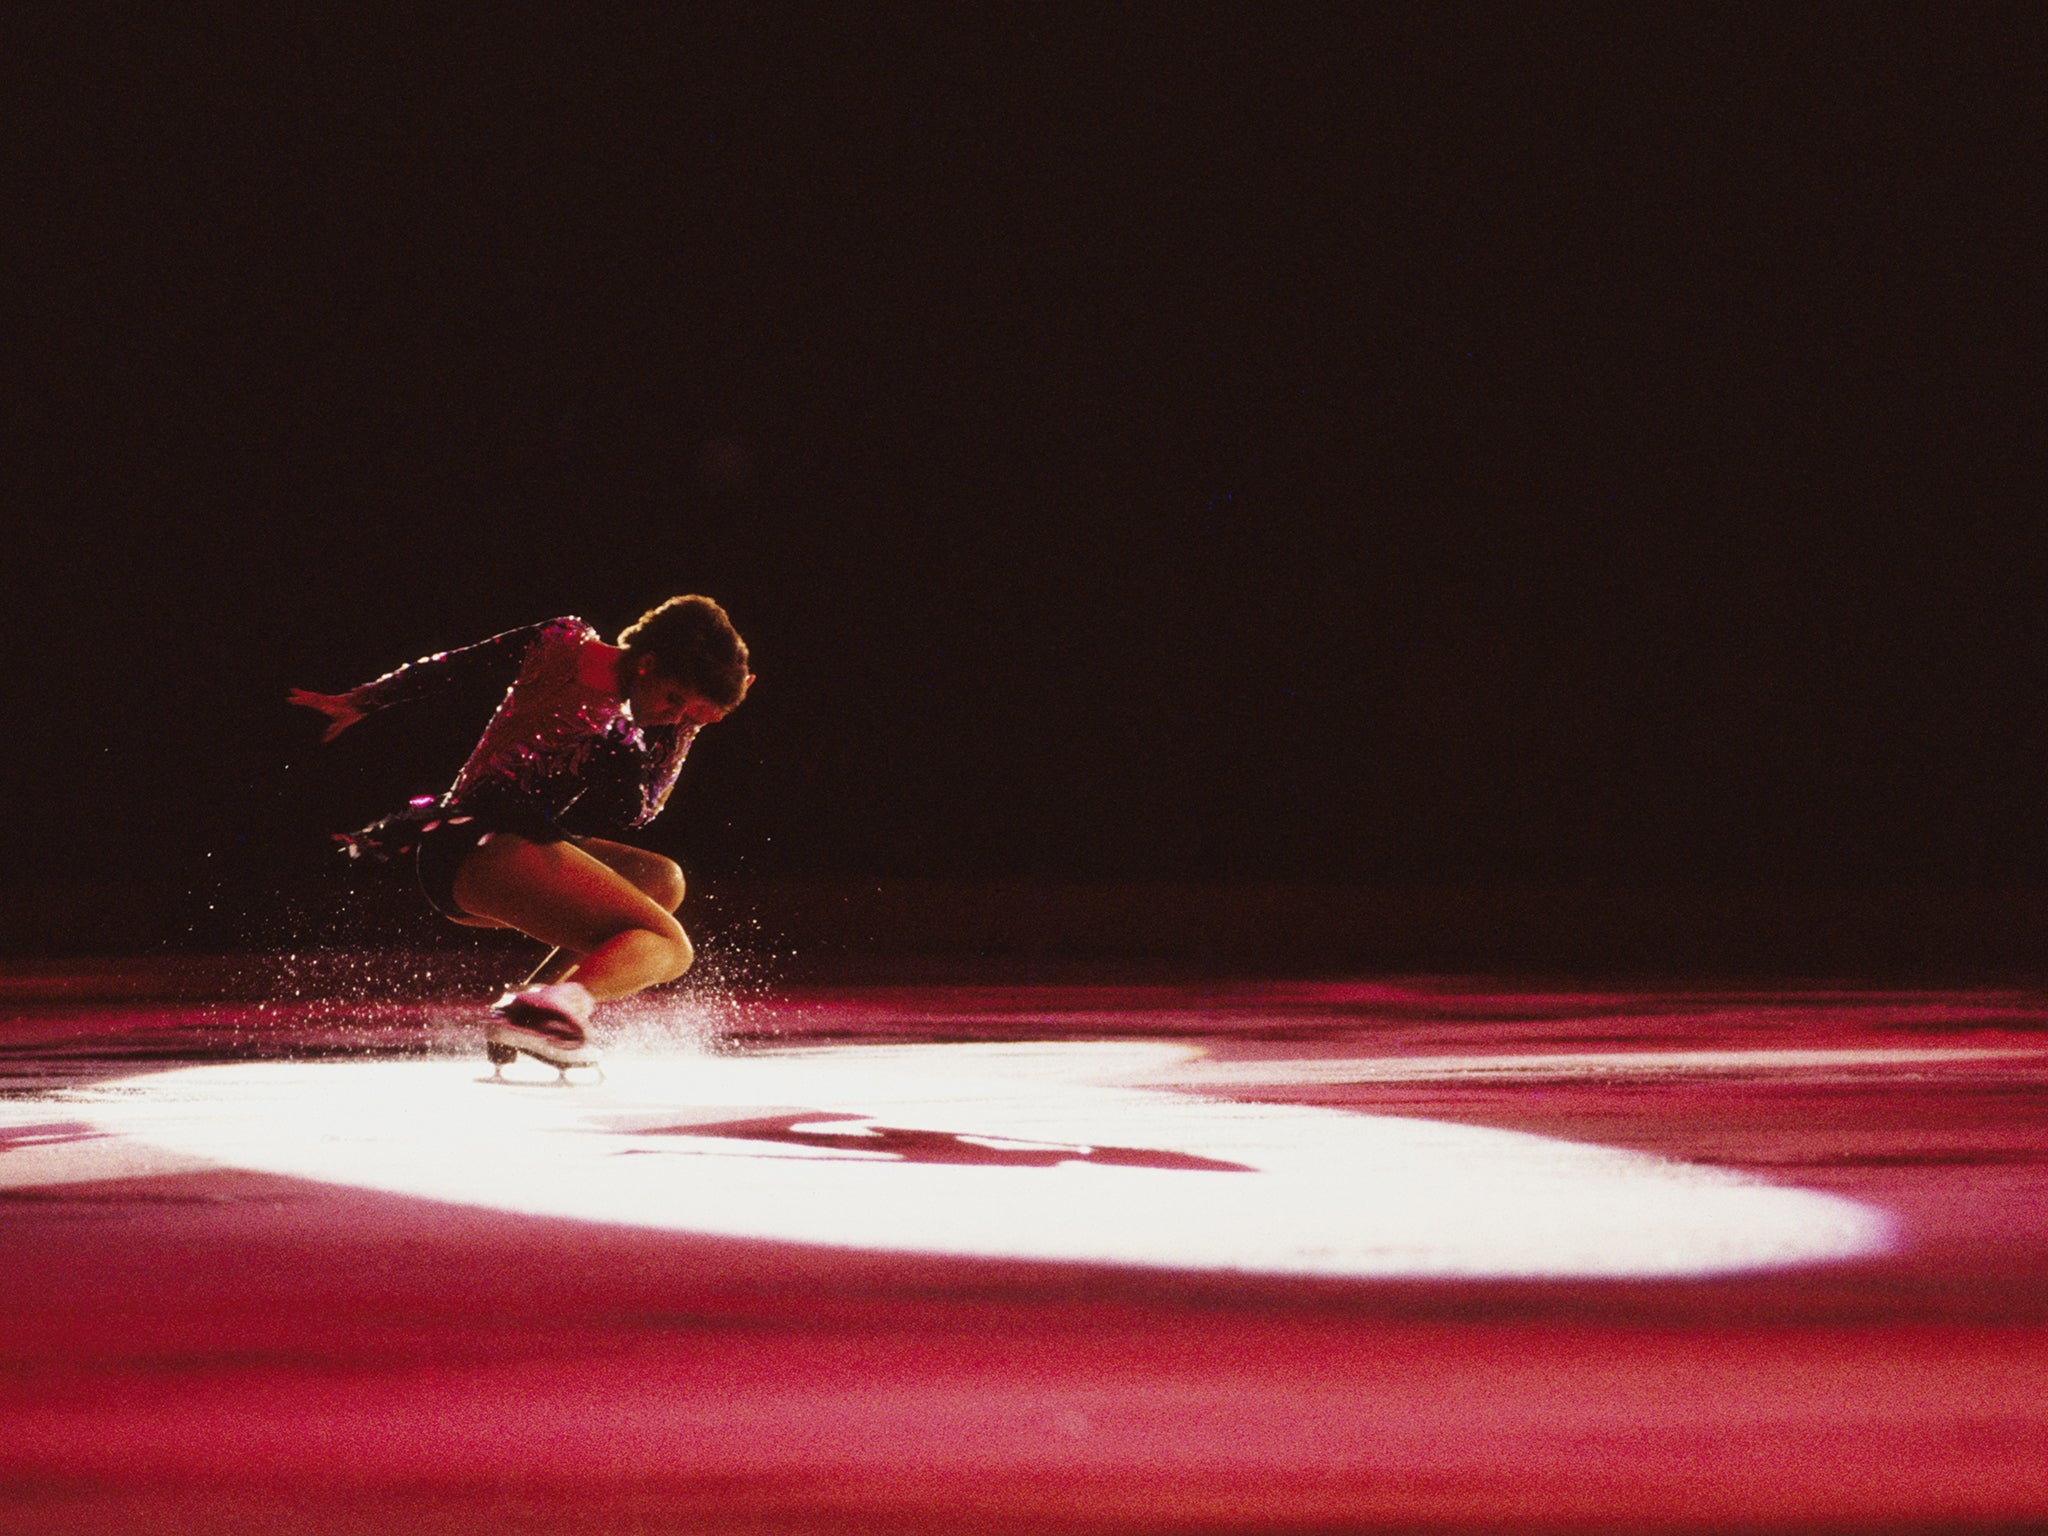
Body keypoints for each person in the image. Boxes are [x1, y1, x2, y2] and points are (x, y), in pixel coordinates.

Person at [289, 596, 752, 1070]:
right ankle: (550, 1013)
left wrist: (366, 699)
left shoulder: (564, 638)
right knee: (673, 948)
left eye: (686, 710)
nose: (672, 715)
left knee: (660, 879)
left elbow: (456, 665)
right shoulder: (618, 734)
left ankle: (532, 1008)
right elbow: (641, 811)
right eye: (674, 699)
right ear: (647, 663)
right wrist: (687, 736)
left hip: (479, 845)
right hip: (482, 854)